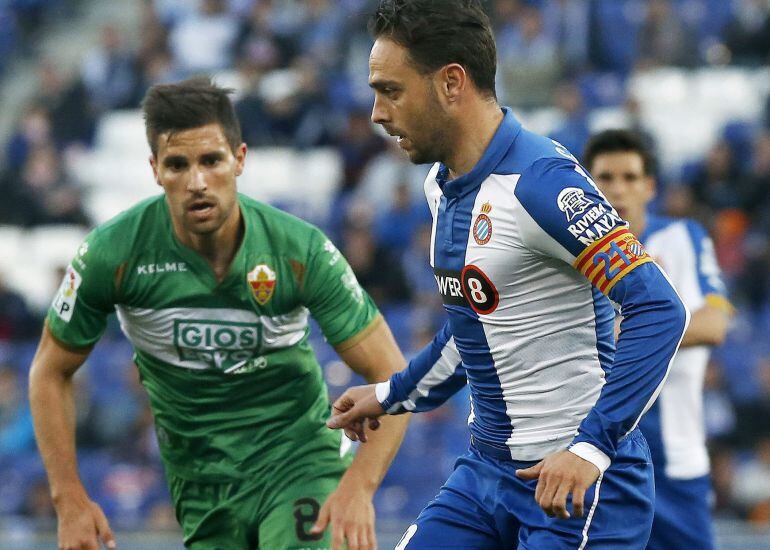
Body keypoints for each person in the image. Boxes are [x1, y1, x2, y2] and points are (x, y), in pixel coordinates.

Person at [326, 1, 689, 548]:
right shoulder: (440, 184)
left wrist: (590, 447)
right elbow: (476, 329)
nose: (377, 112)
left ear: (451, 83)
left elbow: (659, 309)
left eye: (390, 90)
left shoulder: (541, 183)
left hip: (576, 486)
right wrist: (392, 393)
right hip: (486, 474)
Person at [29, 77, 409, 550]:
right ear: (154, 170)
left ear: (240, 159)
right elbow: (49, 371)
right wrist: (68, 499)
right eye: (177, 164)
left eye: (211, 160)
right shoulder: (114, 254)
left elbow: (391, 370)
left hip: (298, 462)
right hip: (200, 485)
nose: (197, 181)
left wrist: (358, 487)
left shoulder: (298, 250)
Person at [583, 129, 732, 550]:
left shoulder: (683, 238)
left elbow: (715, 324)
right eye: (605, 178)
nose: (617, 190)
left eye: (630, 178)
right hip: (597, 454)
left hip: (674, 462)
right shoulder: (569, 253)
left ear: (650, 187)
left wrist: (632, 332)